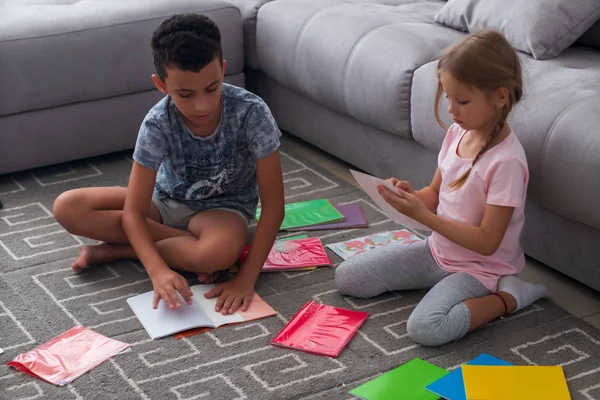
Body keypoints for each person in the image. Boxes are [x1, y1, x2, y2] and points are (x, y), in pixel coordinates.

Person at [53, 13, 284, 315]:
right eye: (185, 94)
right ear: (161, 84)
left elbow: (274, 206)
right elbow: (134, 213)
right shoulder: (157, 123)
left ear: (223, 70)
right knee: (67, 207)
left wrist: (245, 279)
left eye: (212, 88)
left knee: (216, 253)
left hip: (224, 210)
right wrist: (158, 271)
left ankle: (122, 251)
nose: (202, 105)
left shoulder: (252, 113)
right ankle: (179, 248)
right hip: (163, 203)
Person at [335, 29, 548, 346]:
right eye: (448, 97)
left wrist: (424, 217)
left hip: (480, 269)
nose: (451, 109)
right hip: (437, 253)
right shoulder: (458, 134)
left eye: (461, 100)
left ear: (501, 96)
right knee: (348, 277)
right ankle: (441, 288)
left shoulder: (506, 164)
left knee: (426, 329)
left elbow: (488, 242)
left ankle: (510, 296)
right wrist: (409, 197)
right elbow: (434, 195)